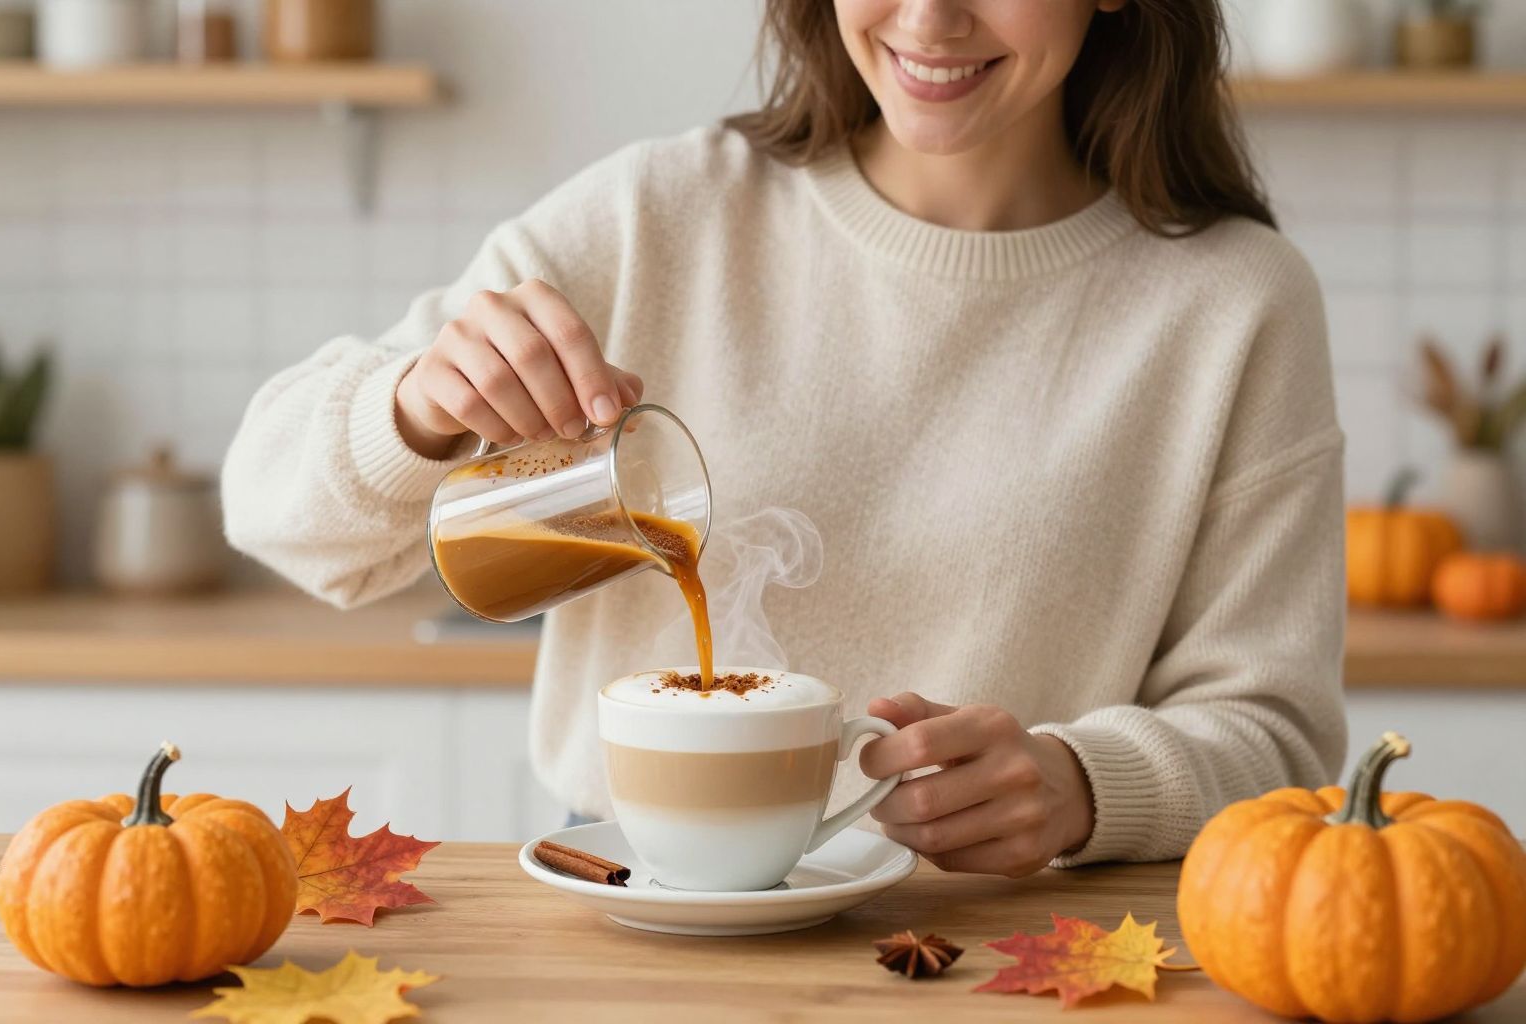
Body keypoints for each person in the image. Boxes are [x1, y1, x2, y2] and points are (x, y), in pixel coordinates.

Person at [222, 0, 1347, 877]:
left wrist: (1084, 784)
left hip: (1000, 943)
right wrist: (413, 407)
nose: (929, 20)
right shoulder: (654, 219)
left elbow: (1276, 733)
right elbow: (280, 516)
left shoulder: (1236, 306)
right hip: (637, 918)